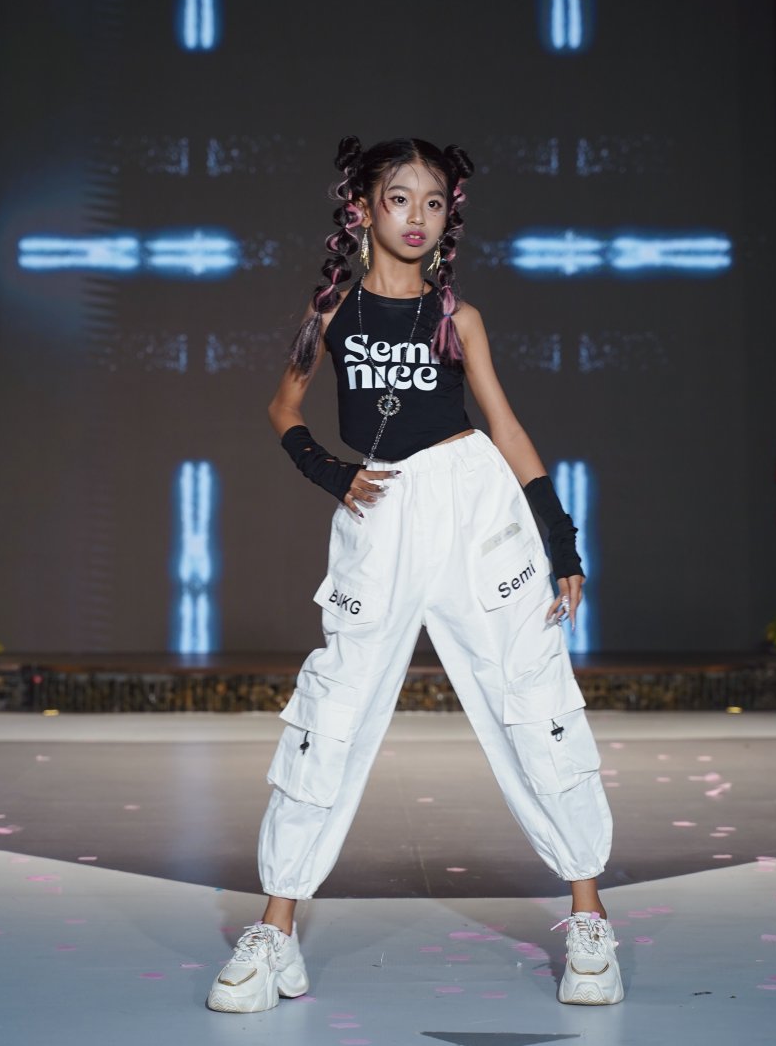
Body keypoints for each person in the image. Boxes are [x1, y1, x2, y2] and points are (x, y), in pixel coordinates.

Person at [206, 137, 623, 1014]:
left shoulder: (457, 318)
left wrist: (560, 540)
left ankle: (590, 921)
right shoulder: (332, 311)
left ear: (448, 217)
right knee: (334, 708)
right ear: (363, 207)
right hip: (381, 512)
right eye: (400, 198)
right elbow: (283, 408)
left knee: (531, 693)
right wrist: (331, 473)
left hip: (473, 508)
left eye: (434, 202)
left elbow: (507, 429)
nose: (417, 216)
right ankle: (276, 931)